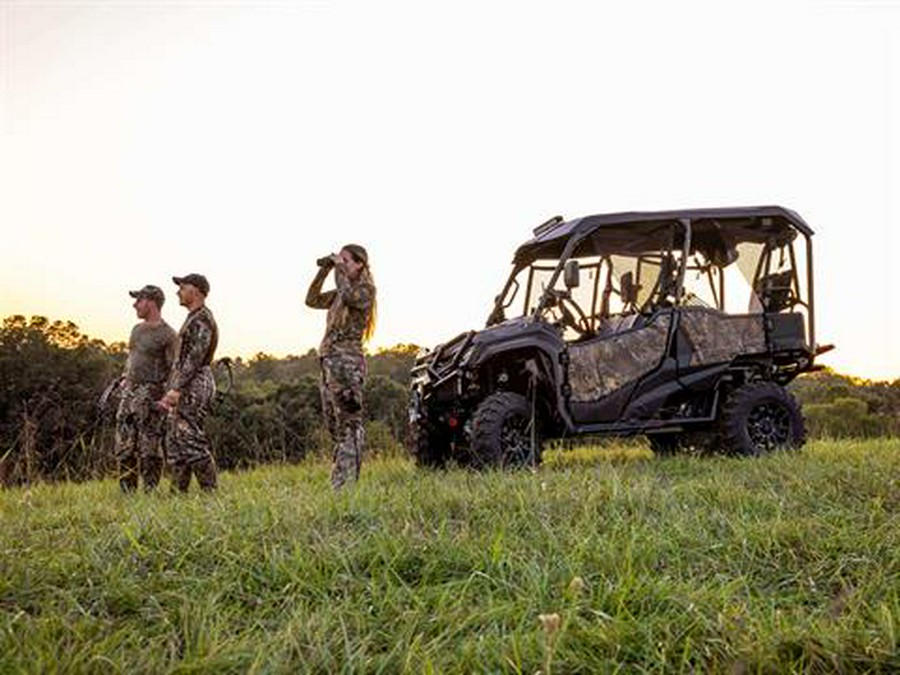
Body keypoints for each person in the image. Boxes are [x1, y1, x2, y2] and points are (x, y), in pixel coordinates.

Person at [306, 244, 377, 489]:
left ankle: (345, 485)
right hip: (329, 361)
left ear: (360, 264)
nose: (342, 264)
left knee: (350, 423)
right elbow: (311, 300)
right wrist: (324, 271)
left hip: (347, 363)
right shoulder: (340, 290)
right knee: (334, 424)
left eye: (346, 260)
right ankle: (340, 479)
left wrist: (338, 270)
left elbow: (348, 295)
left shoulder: (365, 290)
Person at [159, 273, 219, 492]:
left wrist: (177, 388)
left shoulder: (202, 317)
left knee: (189, 438)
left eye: (182, 287)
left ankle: (211, 495)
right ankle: (177, 495)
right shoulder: (193, 317)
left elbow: (196, 356)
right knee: (175, 442)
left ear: (196, 290)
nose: (178, 292)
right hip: (185, 383)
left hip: (194, 383)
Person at [115, 284, 177, 492]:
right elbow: (132, 358)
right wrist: (124, 379)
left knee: (149, 449)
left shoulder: (168, 335)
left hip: (152, 397)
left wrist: (167, 401)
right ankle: (127, 493)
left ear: (151, 302)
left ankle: (150, 492)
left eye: (139, 300)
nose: (135, 305)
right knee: (124, 446)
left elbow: (175, 370)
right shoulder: (136, 330)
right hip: (129, 395)